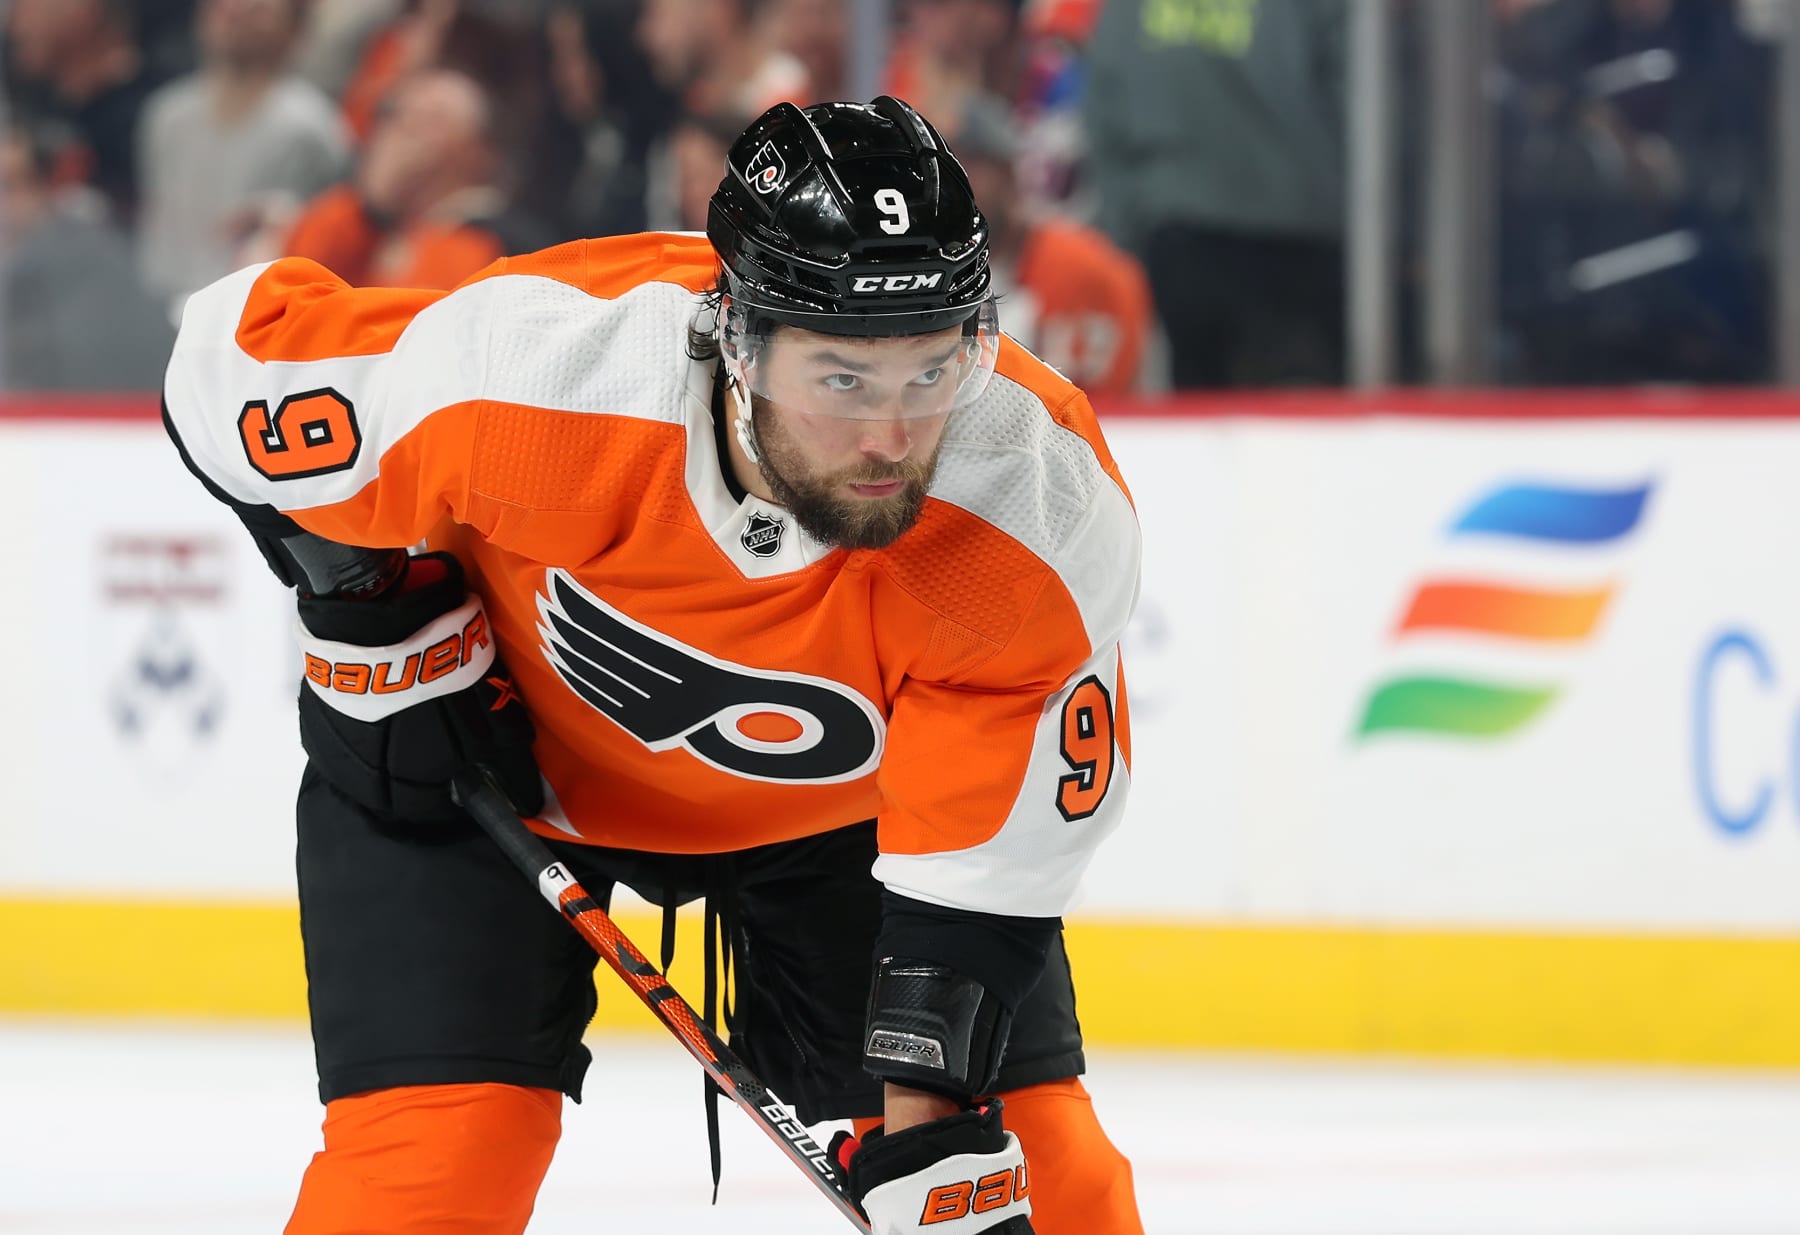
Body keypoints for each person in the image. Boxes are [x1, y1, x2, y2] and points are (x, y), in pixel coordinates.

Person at [161, 96, 1144, 1235]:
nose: (890, 438)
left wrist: (934, 1136)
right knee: (432, 1173)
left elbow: (980, 879)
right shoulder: (537, 377)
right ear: (737, 339)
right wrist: (367, 603)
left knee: (1048, 1176)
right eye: (841, 380)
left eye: (932, 374)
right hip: (495, 760)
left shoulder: (1036, 502)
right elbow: (222, 362)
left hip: (843, 823)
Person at [135, 0, 350, 312]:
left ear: (295, 32)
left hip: (248, 314)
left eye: (260, 7)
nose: (237, 10)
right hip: (153, 305)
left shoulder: (311, 129)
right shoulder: (166, 114)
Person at [270, 68, 547, 289]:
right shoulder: (368, 222)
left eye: (430, 119)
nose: (404, 129)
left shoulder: (490, 242)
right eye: (398, 114)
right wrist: (372, 204)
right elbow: (293, 275)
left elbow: (412, 318)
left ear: (478, 152)